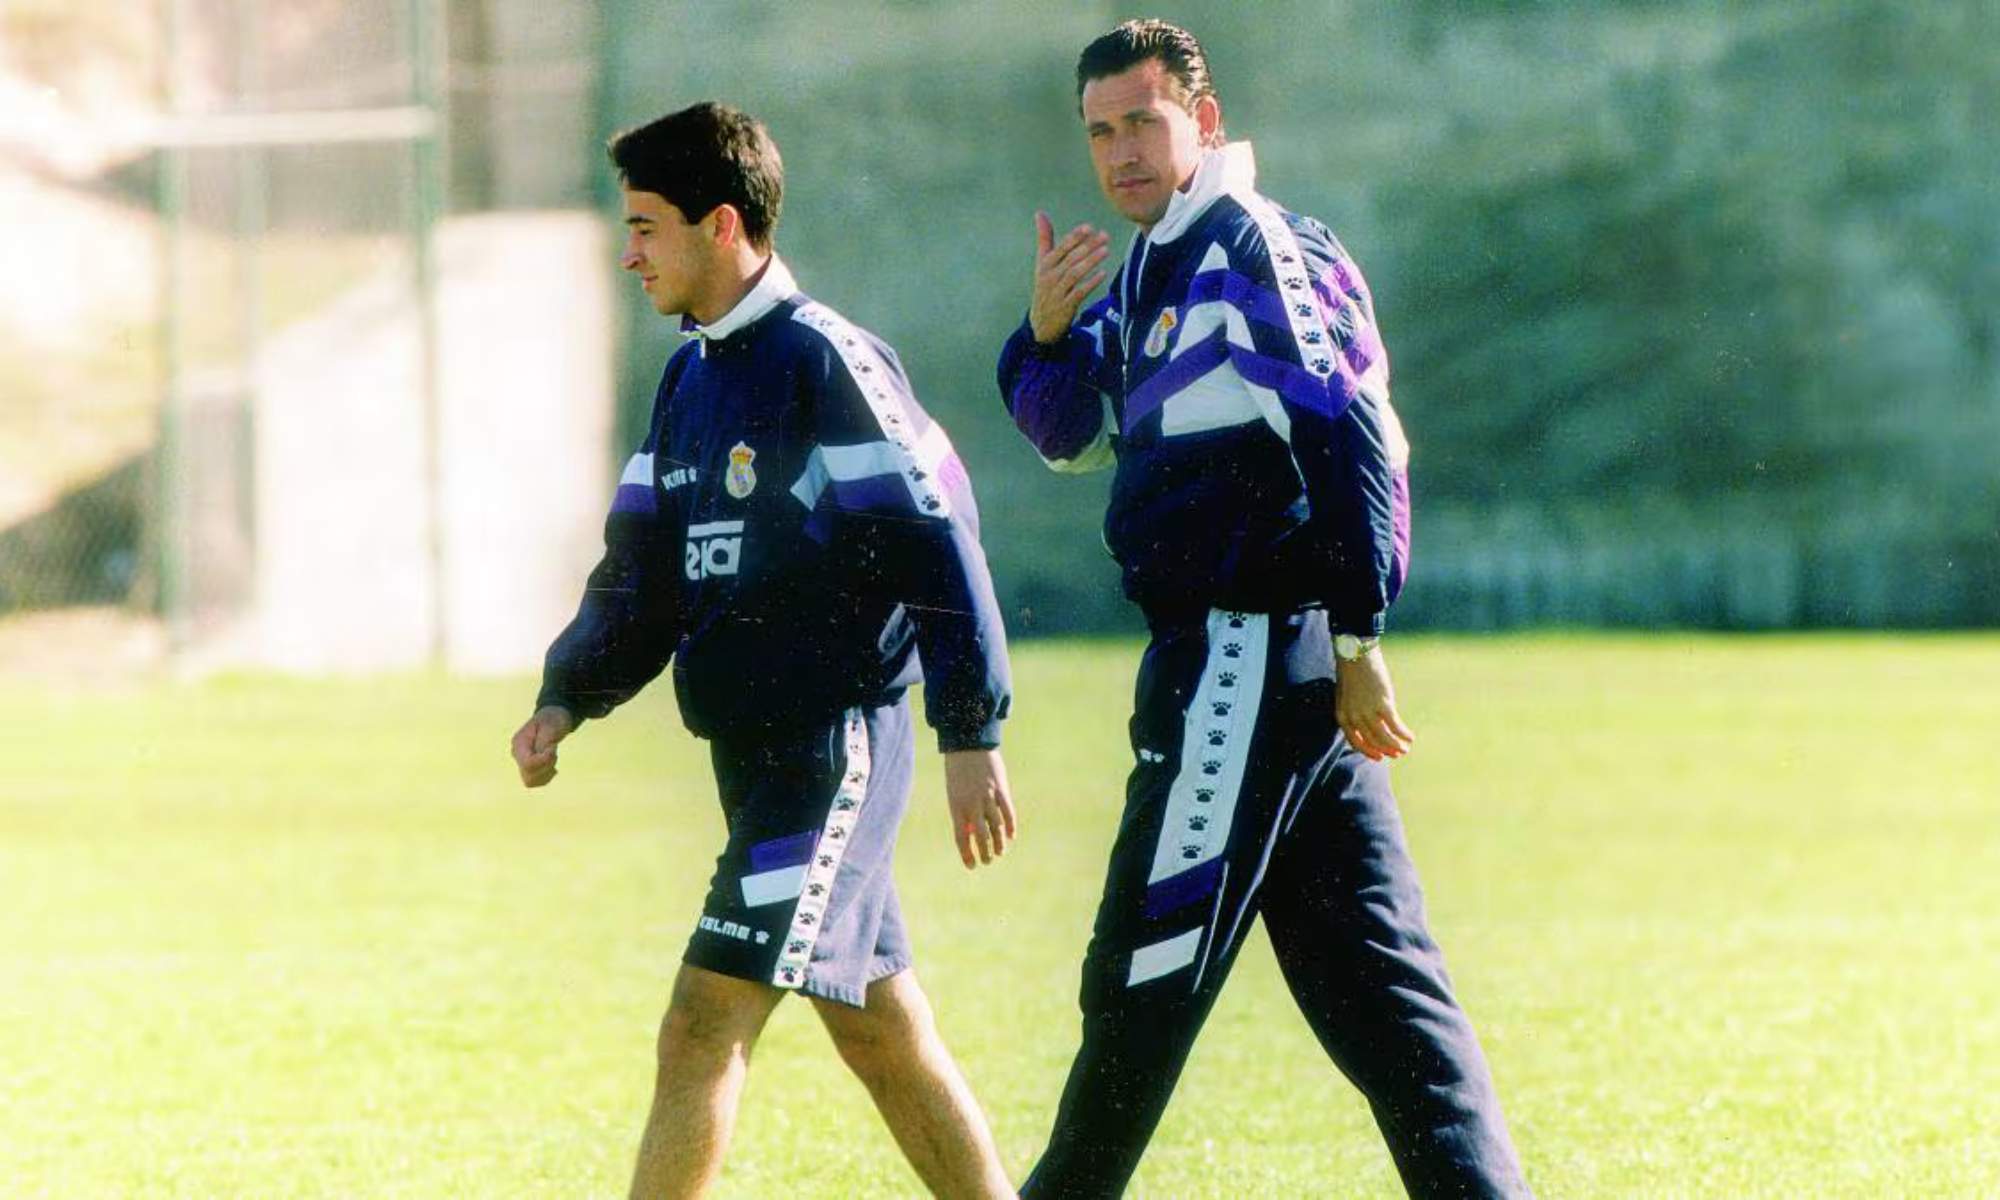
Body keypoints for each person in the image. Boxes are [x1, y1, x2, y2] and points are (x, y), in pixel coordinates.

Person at [997, 21, 1531, 1199]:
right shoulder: (1150, 268)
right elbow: (1075, 440)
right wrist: (1040, 338)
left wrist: (1357, 636)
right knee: (1385, 1005)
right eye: (1099, 131)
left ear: (1202, 117)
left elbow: (1346, 431)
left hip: (1241, 665)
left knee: (1137, 985)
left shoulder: (1249, 246)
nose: (1121, 152)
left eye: (1141, 120)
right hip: (1241, 672)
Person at [511, 101, 1018, 1200]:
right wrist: (568, 695)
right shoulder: (690, 379)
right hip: (749, 758)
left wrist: (968, 731)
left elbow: (936, 539)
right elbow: (641, 570)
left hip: (830, 751)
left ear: (722, 225)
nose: (627, 249)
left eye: (646, 225)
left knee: (702, 1021)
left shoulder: (823, 361)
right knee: (877, 1028)